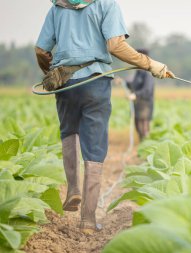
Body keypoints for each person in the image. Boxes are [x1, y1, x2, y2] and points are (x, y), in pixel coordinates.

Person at [35, 0, 174, 234]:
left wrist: (51, 73)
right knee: (95, 147)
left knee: (68, 132)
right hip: (95, 82)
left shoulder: (58, 6)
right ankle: (88, 220)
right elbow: (116, 45)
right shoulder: (106, 4)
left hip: (65, 83)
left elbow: (41, 50)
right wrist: (150, 64)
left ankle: (73, 190)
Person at [126, 49, 155, 141]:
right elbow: (134, 85)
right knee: (137, 124)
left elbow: (147, 90)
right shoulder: (138, 72)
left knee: (144, 124)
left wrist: (136, 95)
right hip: (138, 103)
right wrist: (123, 82)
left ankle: (146, 145)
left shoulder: (148, 73)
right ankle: (143, 144)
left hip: (145, 103)